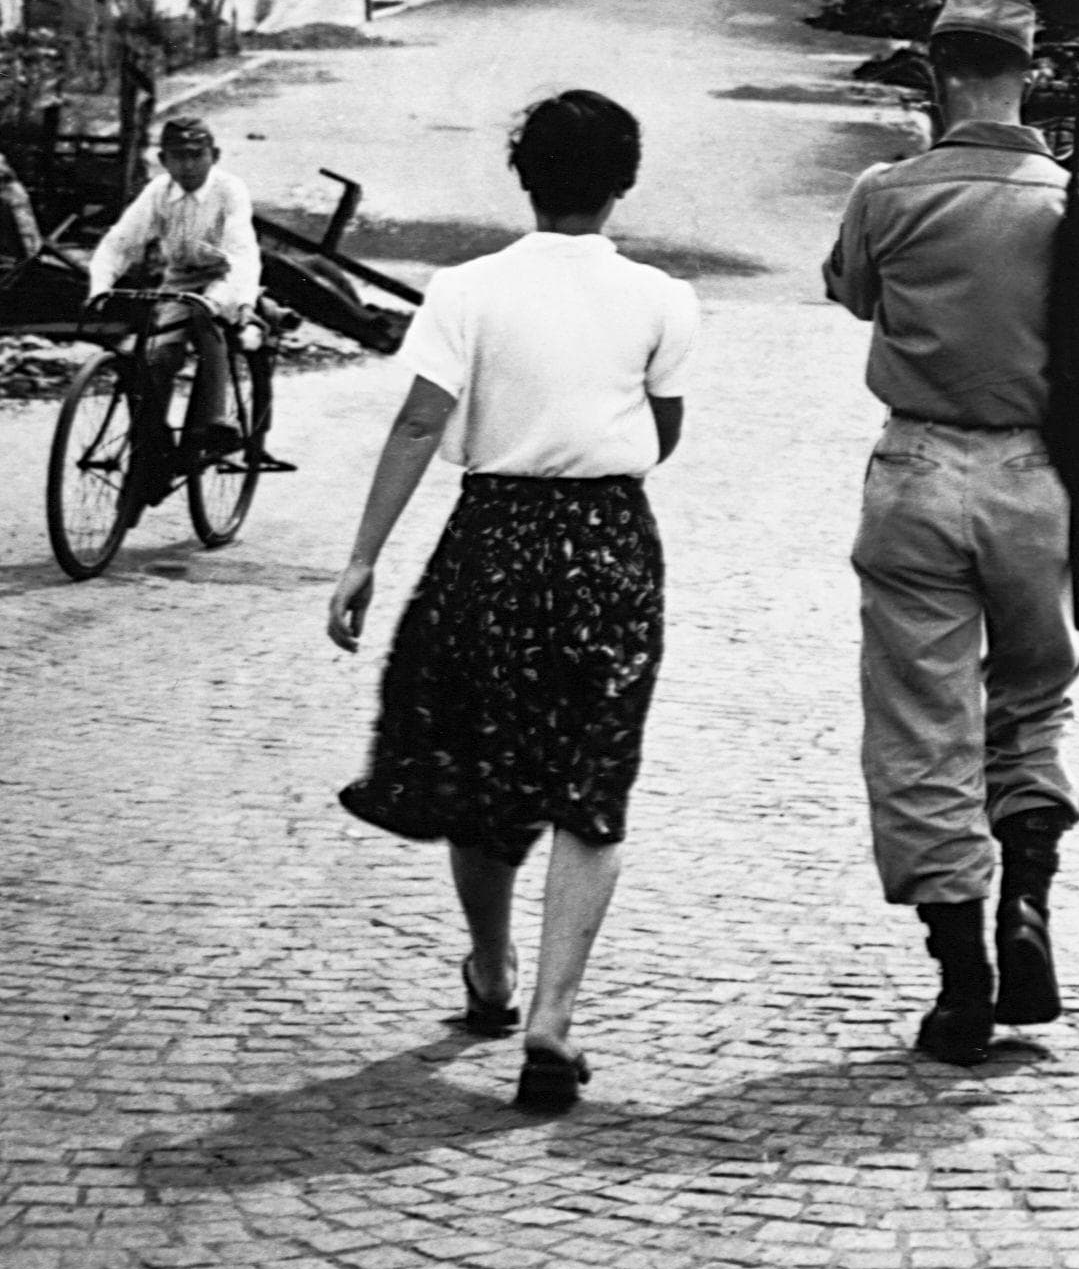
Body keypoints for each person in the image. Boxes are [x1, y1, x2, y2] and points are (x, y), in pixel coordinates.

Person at [823, 0, 1079, 1065]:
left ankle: (959, 979)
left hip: (915, 473)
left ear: (936, 71)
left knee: (920, 725)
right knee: (1030, 702)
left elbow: (853, 292)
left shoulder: (885, 192)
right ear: (1033, 74)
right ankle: (1027, 902)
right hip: (1038, 481)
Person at [326, 91, 698, 1114]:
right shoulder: (662, 298)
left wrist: (362, 559)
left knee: (479, 759)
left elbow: (417, 425)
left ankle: (489, 969)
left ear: (524, 176)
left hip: (490, 539)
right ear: (624, 182)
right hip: (609, 545)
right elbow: (664, 431)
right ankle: (552, 1019)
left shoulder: (466, 289)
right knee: (592, 779)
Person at [82, 117, 259, 463]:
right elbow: (120, 243)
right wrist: (100, 288)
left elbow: (241, 251)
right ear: (163, 160)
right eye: (178, 156)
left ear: (214, 155)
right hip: (179, 279)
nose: (188, 165)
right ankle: (154, 447)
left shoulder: (229, 189)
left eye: (196, 155)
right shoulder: (159, 192)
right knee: (155, 358)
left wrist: (237, 300)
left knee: (205, 315)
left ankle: (215, 420)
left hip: (224, 275)